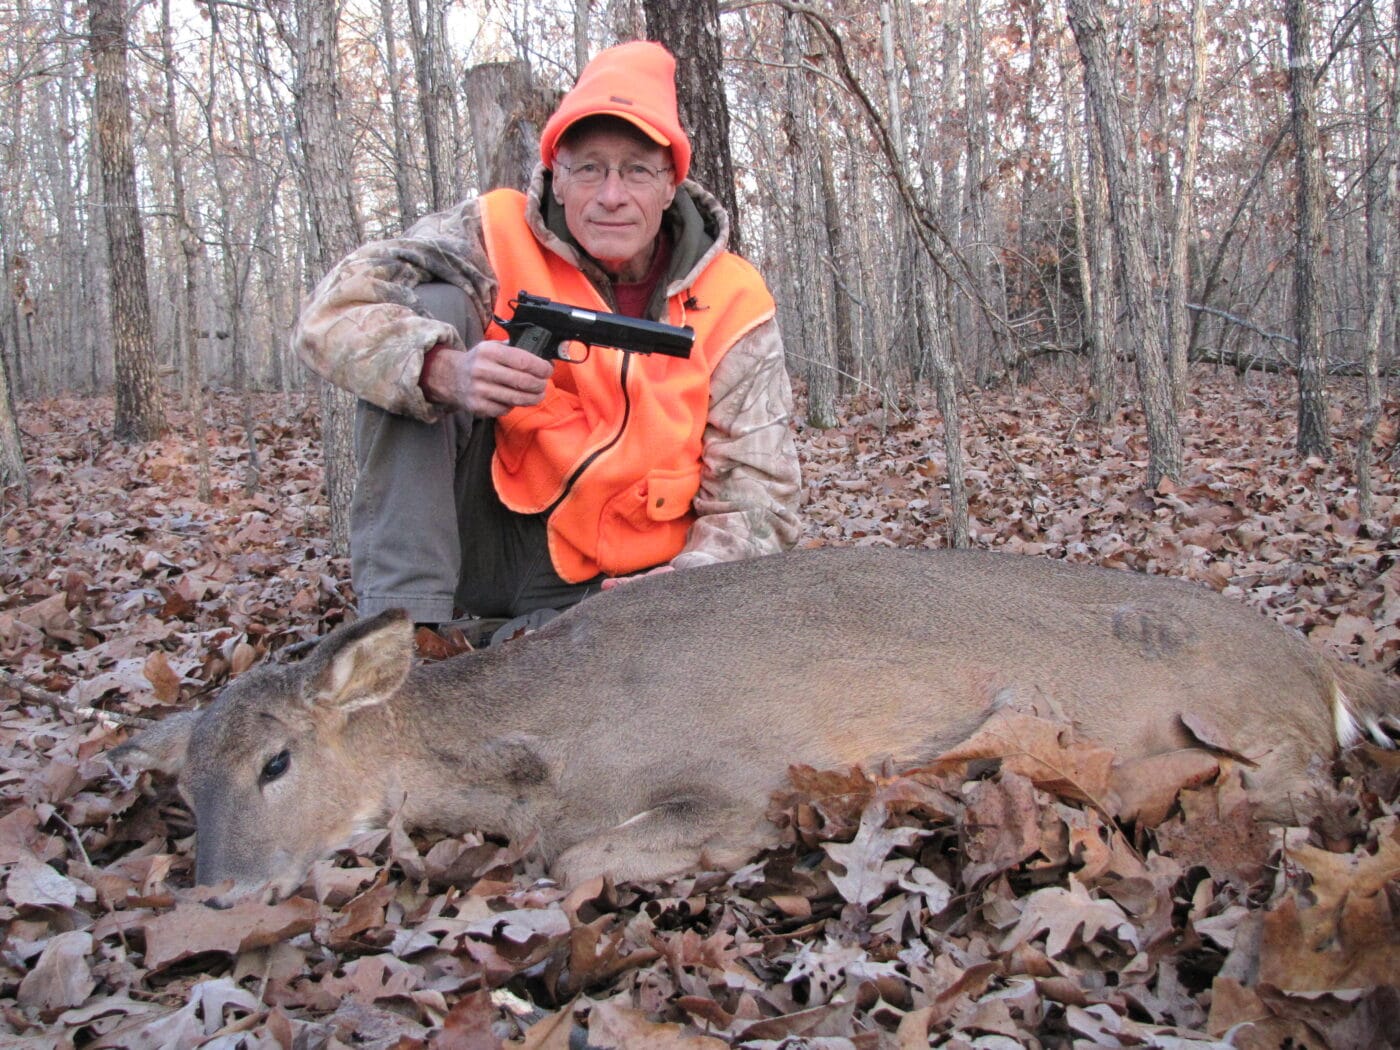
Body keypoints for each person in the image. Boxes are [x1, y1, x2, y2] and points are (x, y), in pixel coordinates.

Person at [293, 41, 801, 632]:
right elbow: (330, 313)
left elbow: (760, 496)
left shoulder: (735, 297)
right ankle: (399, 634)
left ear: (670, 186)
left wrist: (688, 582)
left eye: (636, 169)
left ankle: (520, 643)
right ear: (557, 177)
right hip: (490, 541)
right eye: (589, 168)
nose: (611, 195)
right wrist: (442, 372)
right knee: (432, 307)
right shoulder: (492, 231)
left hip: (636, 580)